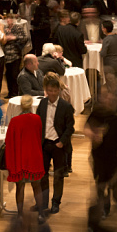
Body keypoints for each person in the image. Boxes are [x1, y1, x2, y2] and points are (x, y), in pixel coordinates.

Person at [84, 82, 117, 232]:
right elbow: (86, 128)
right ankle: (92, 224)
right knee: (99, 188)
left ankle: (108, 205)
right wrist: (93, 135)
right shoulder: (97, 113)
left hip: (114, 158)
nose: (107, 101)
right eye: (105, 98)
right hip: (99, 157)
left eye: (111, 99)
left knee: (110, 185)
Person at [37, 73, 74, 216]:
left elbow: (70, 127)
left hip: (58, 145)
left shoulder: (65, 106)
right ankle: (44, 203)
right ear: (46, 90)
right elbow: (38, 123)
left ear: (58, 90)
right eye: (49, 90)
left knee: (58, 176)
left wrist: (62, 142)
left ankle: (56, 202)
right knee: (43, 176)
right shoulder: (42, 103)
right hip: (44, 144)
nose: (52, 93)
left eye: (54, 90)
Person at [4, 94, 45, 215]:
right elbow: (40, 136)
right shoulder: (37, 119)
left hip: (20, 158)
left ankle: (20, 216)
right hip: (34, 156)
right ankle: (41, 214)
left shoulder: (14, 121)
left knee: (20, 187)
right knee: (37, 186)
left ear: (21, 106)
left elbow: (8, 141)